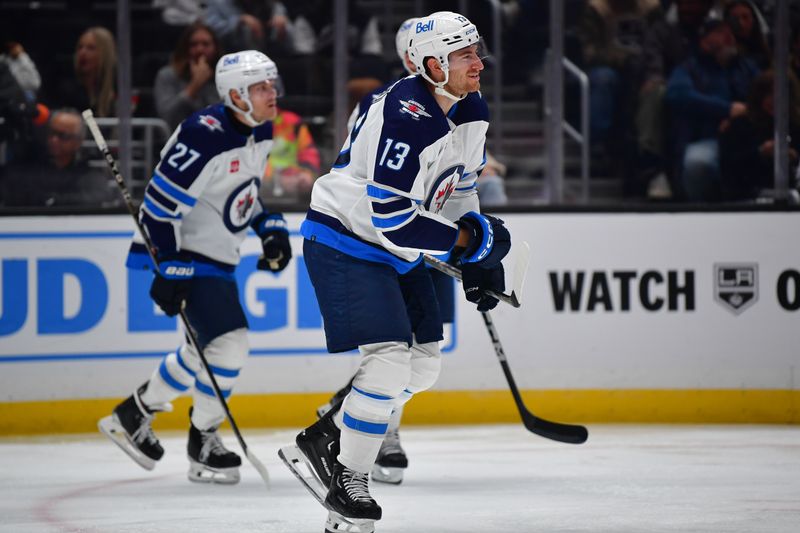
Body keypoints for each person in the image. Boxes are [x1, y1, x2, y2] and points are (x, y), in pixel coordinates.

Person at [282, 12, 512, 533]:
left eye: (478, 51)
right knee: (388, 362)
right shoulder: (405, 116)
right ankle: (347, 476)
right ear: (433, 65)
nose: (479, 63)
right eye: (465, 55)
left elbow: (461, 187)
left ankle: (331, 430)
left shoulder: (471, 106)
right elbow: (394, 220)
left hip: (398, 251)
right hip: (347, 241)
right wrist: (465, 244)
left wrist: (474, 249)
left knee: (423, 367)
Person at [98, 50, 293, 485]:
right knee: (229, 345)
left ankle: (134, 414)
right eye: (261, 88)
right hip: (187, 254)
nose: (271, 94)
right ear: (236, 95)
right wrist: (170, 265)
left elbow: (241, 190)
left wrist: (268, 225)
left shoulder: (262, 128)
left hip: (219, 255)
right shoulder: (203, 136)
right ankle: (202, 440)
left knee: (202, 351)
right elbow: (157, 209)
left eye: (271, 84)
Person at [665, 18, 759, 201]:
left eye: (730, 33)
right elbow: (677, 95)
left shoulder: (746, 67)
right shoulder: (690, 68)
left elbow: (767, 94)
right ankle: (700, 211)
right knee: (698, 162)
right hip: (708, 138)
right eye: (720, 32)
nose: (728, 37)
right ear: (704, 40)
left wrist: (738, 118)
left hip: (747, 137)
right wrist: (726, 109)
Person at [1, 108, 119, 208]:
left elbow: (98, 197)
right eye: (51, 133)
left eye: (63, 136)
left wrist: (53, 201)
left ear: (78, 141)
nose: (54, 140)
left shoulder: (88, 174)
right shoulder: (26, 167)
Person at [719, 70, 800, 200]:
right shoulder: (740, 125)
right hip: (749, 194)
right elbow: (730, 170)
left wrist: (793, 158)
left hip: (790, 192)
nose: (774, 100)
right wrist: (760, 152)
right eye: (768, 94)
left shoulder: (795, 125)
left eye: (781, 95)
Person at [154, 22, 223, 131]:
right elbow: (167, 117)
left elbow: (224, 117)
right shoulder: (167, 75)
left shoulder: (223, 76)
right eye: (194, 44)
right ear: (185, 48)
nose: (200, 49)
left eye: (205, 44)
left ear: (215, 48)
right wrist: (194, 86)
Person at [45, 26, 117, 118]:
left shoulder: (118, 88)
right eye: (80, 47)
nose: (82, 52)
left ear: (105, 53)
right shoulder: (65, 89)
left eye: (91, 48)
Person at [261, 106, 321, 199]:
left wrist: (307, 173)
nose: (271, 95)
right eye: (260, 90)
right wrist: (273, 179)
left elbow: (308, 151)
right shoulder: (246, 124)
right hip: (264, 189)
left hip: (293, 186)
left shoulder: (292, 123)